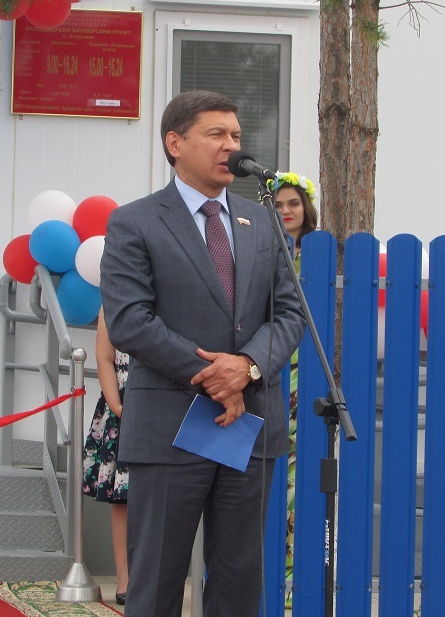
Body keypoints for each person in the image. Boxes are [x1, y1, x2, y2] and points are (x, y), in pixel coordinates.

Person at [100, 89, 305, 617]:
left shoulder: (262, 221)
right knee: (157, 580)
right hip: (171, 425)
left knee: (238, 579)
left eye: (236, 135)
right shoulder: (135, 221)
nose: (231, 146)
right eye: (216, 134)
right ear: (175, 143)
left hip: (249, 425)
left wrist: (248, 368)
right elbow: (130, 321)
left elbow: (289, 313)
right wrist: (216, 375)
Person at [267, 170, 318, 606]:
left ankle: (299, 572)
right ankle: (272, 571)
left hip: (310, 366)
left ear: (307, 207)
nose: (286, 211)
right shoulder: (263, 249)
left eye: (293, 203)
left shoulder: (322, 253)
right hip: (271, 363)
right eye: (279, 205)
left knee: (303, 475)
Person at [80, 308, 129, 606]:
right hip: (122, 407)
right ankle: (125, 578)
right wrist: (119, 407)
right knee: (122, 499)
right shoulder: (113, 295)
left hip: (165, 407)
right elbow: (104, 357)